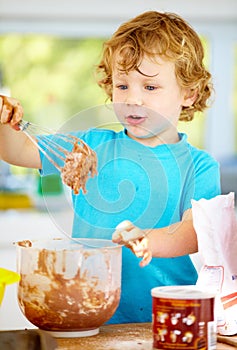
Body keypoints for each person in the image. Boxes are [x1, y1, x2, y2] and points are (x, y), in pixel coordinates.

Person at [0, 11, 220, 324]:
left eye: (150, 87)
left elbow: (195, 231)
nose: (133, 99)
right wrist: (6, 122)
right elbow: (19, 151)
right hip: (89, 313)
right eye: (122, 85)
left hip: (166, 317)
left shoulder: (199, 166)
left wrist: (148, 241)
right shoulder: (90, 146)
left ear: (189, 93)